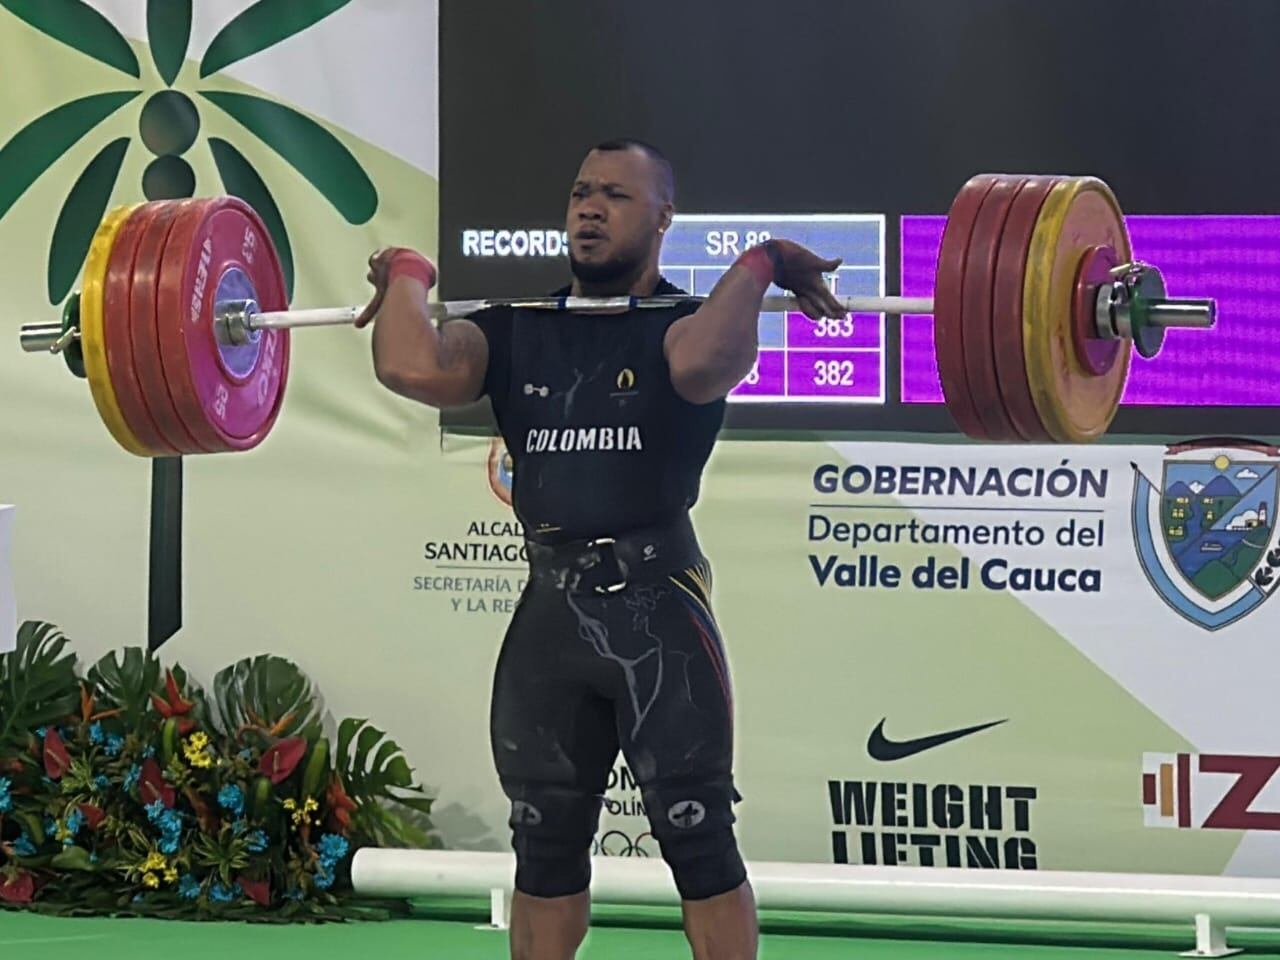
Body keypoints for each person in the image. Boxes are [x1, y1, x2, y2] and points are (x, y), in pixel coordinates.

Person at [356, 139, 846, 960]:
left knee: (697, 839)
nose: (589, 206)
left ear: (662, 219)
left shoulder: (683, 332)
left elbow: (713, 360)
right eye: (581, 191)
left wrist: (762, 262)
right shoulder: (513, 333)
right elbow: (411, 363)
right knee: (543, 849)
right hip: (551, 616)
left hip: (658, 619)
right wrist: (408, 271)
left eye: (616, 195)